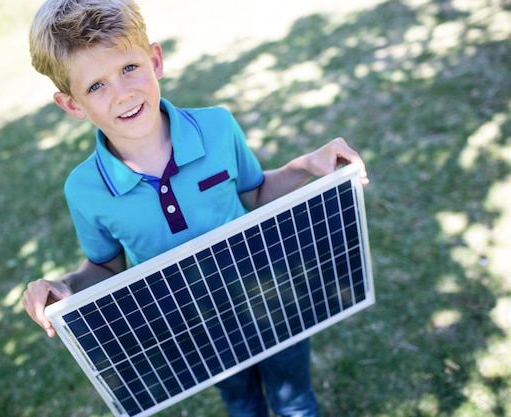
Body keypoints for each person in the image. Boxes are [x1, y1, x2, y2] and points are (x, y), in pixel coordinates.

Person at [22, 0, 369, 416]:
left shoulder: (218, 127)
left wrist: (306, 166)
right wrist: (66, 289)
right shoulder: (84, 189)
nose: (123, 93)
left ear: (155, 60)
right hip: (195, 325)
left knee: (294, 401)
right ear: (72, 104)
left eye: (129, 68)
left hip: (267, 295)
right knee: (242, 404)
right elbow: (106, 268)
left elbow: (254, 196)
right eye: (96, 86)